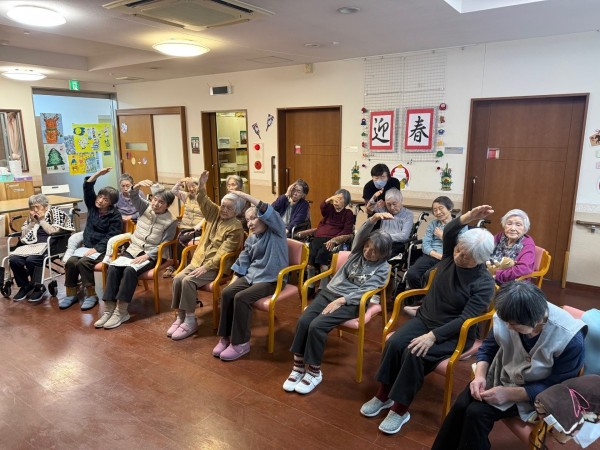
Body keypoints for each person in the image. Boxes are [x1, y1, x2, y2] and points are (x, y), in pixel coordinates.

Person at [360, 205, 496, 435]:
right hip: (426, 319)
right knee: (394, 343)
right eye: (458, 250)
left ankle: (400, 409)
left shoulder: (484, 284)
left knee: (414, 352)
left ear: (480, 260)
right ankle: (383, 395)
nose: (458, 256)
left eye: (466, 256)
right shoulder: (450, 256)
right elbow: (451, 230)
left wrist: (433, 336)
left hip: (455, 333)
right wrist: (470, 216)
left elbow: (465, 319)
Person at [432, 281, 586, 450]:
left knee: (477, 413)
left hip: (536, 392)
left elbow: (559, 387)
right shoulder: (509, 313)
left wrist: (510, 394)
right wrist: (480, 376)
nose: (507, 327)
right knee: (461, 405)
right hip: (502, 376)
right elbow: (488, 348)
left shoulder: (569, 338)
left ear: (536, 322)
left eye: (513, 325)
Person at [283, 221, 393, 394]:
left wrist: (342, 300)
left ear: (383, 253)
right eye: (366, 246)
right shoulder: (357, 253)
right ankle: (298, 366)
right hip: (329, 293)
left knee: (317, 325)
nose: (367, 251)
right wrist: (372, 219)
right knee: (304, 321)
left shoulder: (383, 268)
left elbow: (366, 291)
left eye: (373, 251)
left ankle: (314, 372)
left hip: (353, 302)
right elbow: (360, 234)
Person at [168, 170, 245, 341]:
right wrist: (202, 185)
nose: (224, 210)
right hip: (199, 259)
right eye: (223, 206)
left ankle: (190, 320)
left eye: (229, 208)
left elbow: (224, 252)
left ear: (237, 211)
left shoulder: (236, 227)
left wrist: (207, 266)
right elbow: (203, 201)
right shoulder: (215, 213)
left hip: (217, 266)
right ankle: (180, 316)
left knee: (188, 281)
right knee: (178, 278)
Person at [213, 191, 288, 361]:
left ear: (264, 219)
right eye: (247, 220)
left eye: (254, 218)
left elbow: (268, 210)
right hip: (253, 275)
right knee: (227, 293)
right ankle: (226, 337)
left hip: (272, 279)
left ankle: (241, 343)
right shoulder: (251, 238)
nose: (250, 223)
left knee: (242, 298)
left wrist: (245, 196)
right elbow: (243, 261)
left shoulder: (277, 231)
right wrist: (233, 283)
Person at [94, 180, 177, 329]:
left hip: (153, 254)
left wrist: (148, 255)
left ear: (167, 205)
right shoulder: (145, 207)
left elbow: (165, 243)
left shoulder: (171, 221)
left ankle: (121, 311)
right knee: (113, 267)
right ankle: (109, 309)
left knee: (129, 270)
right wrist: (137, 186)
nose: (156, 204)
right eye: (155, 199)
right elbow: (133, 195)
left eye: (161, 202)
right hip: (134, 249)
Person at [59, 168, 122, 311]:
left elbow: (112, 236)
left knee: (84, 262)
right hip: (87, 247)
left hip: (103, 250)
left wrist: (96, 248)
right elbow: (87, 187)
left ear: (111, 203)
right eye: (100, 196)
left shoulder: (115, 215)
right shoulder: (93, 207)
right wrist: (98, 174)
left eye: (105, 199)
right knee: (71, 262)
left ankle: (91, 294)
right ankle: (71, 293)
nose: (100, 200)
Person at [8, 194, 74, 302]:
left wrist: (42, 220)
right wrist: (32, 223)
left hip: (51, 245)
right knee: (14, 259)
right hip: (31, 245)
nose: (34, 210)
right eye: (32, 207)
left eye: (37, 207)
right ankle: (25, 286)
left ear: (45, 206)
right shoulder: (32, 217)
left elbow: (53, 231)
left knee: (32, 260)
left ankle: (38, 287)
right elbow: (24, 235)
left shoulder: (55, 213)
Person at [300, 189, 355, 285]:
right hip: (319, 236)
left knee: (322, 257)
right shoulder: (330, 209)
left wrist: (335, 240)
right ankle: (310, 286)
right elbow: (322, 207)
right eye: (335, 198)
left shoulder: (348, 213)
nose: (336, 201)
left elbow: (347, 231)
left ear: (346, 201)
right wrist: (329, 199)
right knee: (311, 258)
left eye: (340, 199)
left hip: (332, 240)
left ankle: (323, 286)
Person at [405, 196, 456, 290]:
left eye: (441, 208)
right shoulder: (433, 224)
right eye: (435, 210)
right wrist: (436, 255)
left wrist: (443, 237)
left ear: (450, 208)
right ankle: (420, 297)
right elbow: (425, 245)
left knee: (430, 276)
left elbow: (459, 246)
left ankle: (432, 297)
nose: (438, 212)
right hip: (431, 255)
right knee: (412, 274)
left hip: (449, 258)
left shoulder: (458, 225)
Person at [163, 177, 205, 278]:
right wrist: (180, 182)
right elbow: (173, 191)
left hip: (196, 228)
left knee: (180, 239)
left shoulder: (204, 199)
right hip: (184, 226)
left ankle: (180, 265)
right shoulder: (186, 196)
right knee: (171, 236)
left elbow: (208, 217)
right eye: (189, 186)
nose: (191, 189)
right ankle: (174, 264)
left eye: (193, 186)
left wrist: (198, 226)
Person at [488, 209, 535, 284]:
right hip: (490, 275)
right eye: (509, 224)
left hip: (512, 282)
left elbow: (523, 269)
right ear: (504, 225)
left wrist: (497, 274)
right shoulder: (501, 236)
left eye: (518, 225)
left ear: (525, 228)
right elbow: (486, 248)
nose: (513, 228)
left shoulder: (528, 244)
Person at [370, 188, 413, 255]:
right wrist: (374, 197)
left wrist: (384, 237)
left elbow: (404, 236)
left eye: (394, 204)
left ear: (401, 201)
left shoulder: (408, 214)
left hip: (396, 245)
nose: (392, 207)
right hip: (381, 243)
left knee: (380, 255)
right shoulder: (383, 210)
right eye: (389, 204)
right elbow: (369, 208)